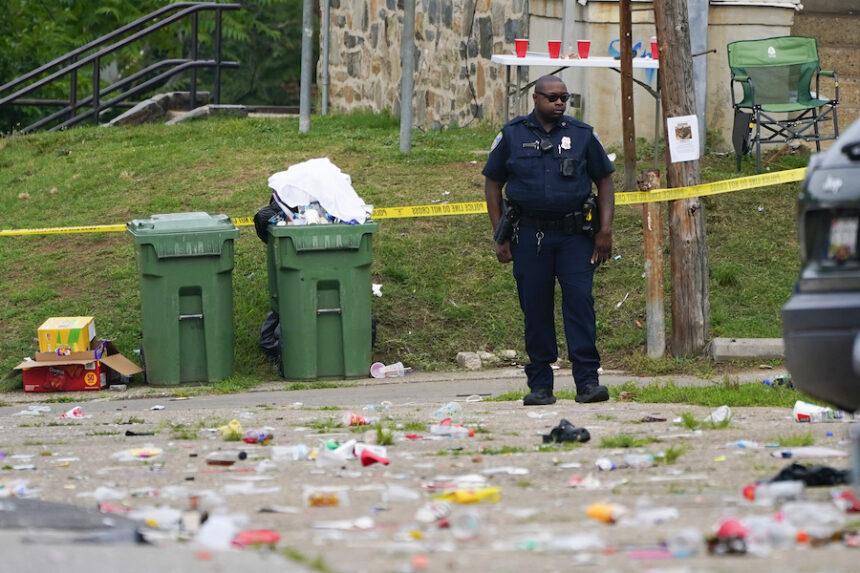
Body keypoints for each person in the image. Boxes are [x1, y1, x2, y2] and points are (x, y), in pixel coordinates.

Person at [482, 75, 615, 406]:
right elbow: (492, 184)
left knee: (580, 305)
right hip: (529, 236)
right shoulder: (512, 135)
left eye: (564, 98)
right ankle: (540, 385)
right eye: (552, 98)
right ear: (535, 99)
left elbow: (605, 181)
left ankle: (587, 382)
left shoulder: (582, 135)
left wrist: (605, 231)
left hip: (575, 237)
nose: (559, 103)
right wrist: (500, 234)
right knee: (536, 310)